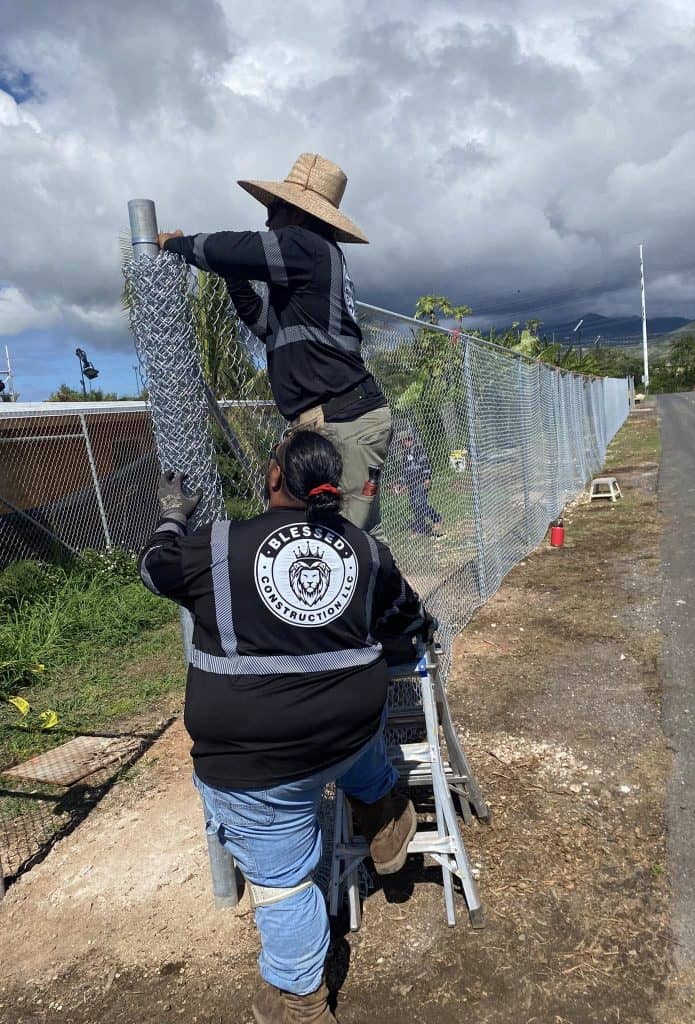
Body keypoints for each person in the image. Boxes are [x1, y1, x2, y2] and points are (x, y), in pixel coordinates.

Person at [138, 430, 434, 1024]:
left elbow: (153, 569)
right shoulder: (367, 550)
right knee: (360, 744)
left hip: (256, 763)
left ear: (275, 478)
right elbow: (406, 616)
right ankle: (381, 813)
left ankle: (300, 1000)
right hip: (347, 733)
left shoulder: (217, 544)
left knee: (283, 883)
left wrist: (172, 519)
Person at [157, 152, 391, 542]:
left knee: (349, 543)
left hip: (343, 420)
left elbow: (234, 248)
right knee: (327, 539)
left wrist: (180, 245)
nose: (268, 218)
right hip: (332, 418)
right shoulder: (311, 268)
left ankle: (382, 604)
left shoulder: (308, 246)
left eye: (276, 208)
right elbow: (263, 321)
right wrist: (234, 275)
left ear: (299, 214)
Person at [395, 430, 443, 537]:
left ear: (409, 440)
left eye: (403, 441)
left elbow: (425, 463)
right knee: (414, 506)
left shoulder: (419, 449)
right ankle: (420, 527)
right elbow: (404, 471)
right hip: (412, 483)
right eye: (401, 442)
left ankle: (437, 519)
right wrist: (400, 482)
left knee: (420, 504)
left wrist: (427, 478)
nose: (402, 444)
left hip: (421, 481)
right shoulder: (404, 454)